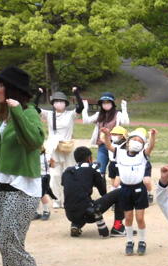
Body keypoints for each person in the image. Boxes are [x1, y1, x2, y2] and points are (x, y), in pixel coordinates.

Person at [0, 66, 52, 266]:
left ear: (11, 89)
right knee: (5, 244)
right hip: (3, 187)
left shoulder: (29, 113)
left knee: (12, 243)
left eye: (0, 86)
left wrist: (17, 111)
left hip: (23, 188)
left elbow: (35, 140)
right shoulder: (0, 120)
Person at [101, 127, 156, 255]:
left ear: (143, 145)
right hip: (125, 189)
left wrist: (152, 136)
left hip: (139, 189)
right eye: (134, 139)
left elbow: (151, 146)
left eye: (140, 141)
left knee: (140, 218)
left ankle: (142, 241)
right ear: (127, 142)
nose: (137, 142)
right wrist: (107, 134)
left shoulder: (142, 156)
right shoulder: (120, 153)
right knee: (128, 217)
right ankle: (129, 241)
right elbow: (108, 145)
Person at [62, 146, 125, 237]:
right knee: (120, 192)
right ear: (89, 158)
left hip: (69, 213)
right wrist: (99, 174)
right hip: (89, 213)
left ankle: (76, 224)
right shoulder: (92, 168)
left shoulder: (67, 171)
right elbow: (103, 191)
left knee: (79, 202)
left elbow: (71, 188)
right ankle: (117, 228)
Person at [36, 87, 84, 208]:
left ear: (65, 103)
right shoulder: (48, 114)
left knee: (69, 174)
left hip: (67, 148)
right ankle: (57, 200)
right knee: (55, 174)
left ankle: (69, 199)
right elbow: (35, 108)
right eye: (56, 101)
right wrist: (38, 94)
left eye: (61, 101)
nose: (59, 103)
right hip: (54, 148)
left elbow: (81, 107)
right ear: (53, 103)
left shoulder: (71, 115)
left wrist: (76, 94)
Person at [83, 92, 129, 175]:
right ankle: (102, 187)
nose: (105, 104)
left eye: (108, 102)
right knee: (100, 171)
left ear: (112, 103)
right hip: (102, 146)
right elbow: (86, 121)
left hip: (115, 146)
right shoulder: (99, 115)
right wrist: (85, 108)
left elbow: (126, 122)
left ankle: (116, 187)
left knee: (117, 171)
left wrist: (124, 108)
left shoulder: (118, 115)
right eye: (103, 103)